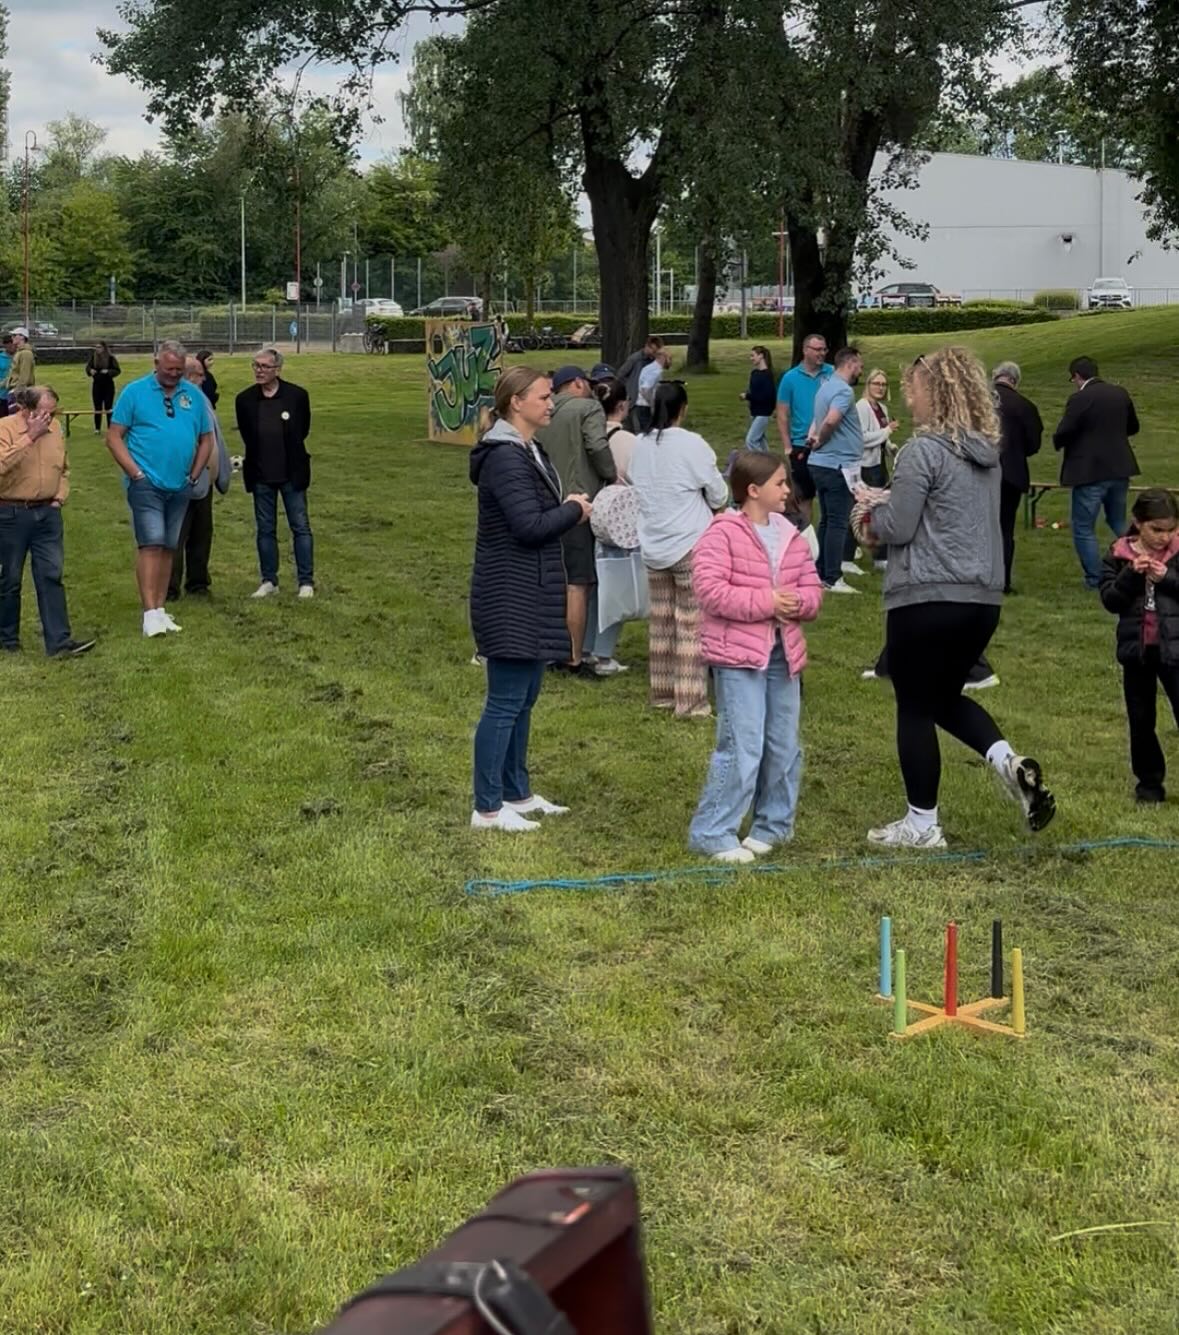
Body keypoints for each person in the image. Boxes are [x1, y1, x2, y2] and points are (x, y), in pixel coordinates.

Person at [853, 346, 1054, 848]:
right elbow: (948, 512)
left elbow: (899, 526)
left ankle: (922, 824)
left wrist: (869, 515)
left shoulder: (921, 451)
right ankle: (1008, 762)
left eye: (914, 390)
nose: (909, 399)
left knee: (914, 706)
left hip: (926, 595)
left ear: (936, 393)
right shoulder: (987, 456)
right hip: (981, 600)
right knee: (942, 697)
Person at [468, 366, 592, 832]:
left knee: (524, 698)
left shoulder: (530, 449)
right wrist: (573, 510)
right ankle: (487, 807)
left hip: (531, 588)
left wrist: (566, 507)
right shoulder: (504, 457)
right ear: (516, 402)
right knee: (505, 701)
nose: (551, 403)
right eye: (542, 396)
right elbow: (528, 526)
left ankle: (515, 793)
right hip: (508, 592)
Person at [688, 451, 823, 864]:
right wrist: (767, 602)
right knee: (742, 744)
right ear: (752, 490)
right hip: (738, 657)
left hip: (784, 656)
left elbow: (812, 591)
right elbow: (710, 591)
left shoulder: (791, 534)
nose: (788, 491)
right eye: (780, 483)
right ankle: (713, 831)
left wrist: (797, 602)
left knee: (783, 743)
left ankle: (773, 825)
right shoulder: (722, 533)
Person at [630, 380, 729, 717]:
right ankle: (690, 700)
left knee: (661, 621)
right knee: (691, 622)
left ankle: (662, 692)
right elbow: (718, 493)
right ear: (682, 409)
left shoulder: (640, 445)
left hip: (653, 542)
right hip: (689, 541)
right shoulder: (692, 444)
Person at [106, 340, 215, 638]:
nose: (173, 375)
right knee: (151, 543)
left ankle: (161, 608)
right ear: (156, 364)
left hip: (180, 484)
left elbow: (206, 438)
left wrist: (194, 475)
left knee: (169, 545)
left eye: (179, 370)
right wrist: (135, 473)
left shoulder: (192, 395)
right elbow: (114, 436)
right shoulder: (134, 392)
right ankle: (149, 612)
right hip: (146, 484)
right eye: (169, 370)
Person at [0, 386, 95, 657]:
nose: (49, 419)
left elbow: (63, 468)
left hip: (48, 514)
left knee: (51, 575)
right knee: (9, 578)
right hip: (10, 513)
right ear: (25, 409)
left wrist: (59, 497)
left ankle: (59, 642)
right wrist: (29, 437)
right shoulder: (5, 429)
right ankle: (7, 639)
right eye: (44, 413)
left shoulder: (55, 429)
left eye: (53, 413)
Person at [1099, 488, 1179, 804]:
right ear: (1137, 522)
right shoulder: (1118, 555)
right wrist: (1131, 576)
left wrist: (1166, 578)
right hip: (1137, 651)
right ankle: (1149, 785)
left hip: (1175, 649)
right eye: (1156, 529)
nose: (1164, 537)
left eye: (1171, 530)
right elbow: (1110, 600)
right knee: (1141, 720)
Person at [535, 365, 616, 676]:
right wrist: (611, 474)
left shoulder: (540, 410)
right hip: (577, 505)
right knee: (577, 583)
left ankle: (545, 648)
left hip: (542, 503)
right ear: (579, 383)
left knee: (548, 580)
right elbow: (597, 445)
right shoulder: (588, 408)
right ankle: (572, 657)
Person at [1053, 355, 1140, 589]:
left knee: (1083, 527)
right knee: (1118, 520)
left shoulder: (1080, 398)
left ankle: (1095, 578)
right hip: (1120, 467)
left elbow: (1065, 430)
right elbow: (1133, 426)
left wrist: (1058, 442)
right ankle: (1141, 561)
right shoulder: (1120, 393)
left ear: (1077, 376)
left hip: (1089, 471)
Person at [235, 347, 315, 599]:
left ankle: (306, 581)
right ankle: (269, 580)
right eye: (256, 366)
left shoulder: (297, 396)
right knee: (265, 529)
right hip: (261, 474)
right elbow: (247, 434)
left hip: (291, 473)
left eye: (264, 367)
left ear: (277, 369)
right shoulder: (244, 399)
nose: (259, 371)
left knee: (300, 526)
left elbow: (302, 430)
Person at [584, 377, 640, 676]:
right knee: (615, 585)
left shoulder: (585, 433)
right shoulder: (628, 441)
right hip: (618, 520)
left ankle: (584, 646)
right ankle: (603, 653)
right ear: (622, 405)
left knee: (590, 586)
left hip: (587, 513)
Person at [168, 356, 232, 601]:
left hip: (205, 479)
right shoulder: (173, 400)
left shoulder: (201, 399)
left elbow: (216, 436)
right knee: (176, 534)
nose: (204, 379)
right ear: (188, 375)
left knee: (201, 533)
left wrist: (221, 471)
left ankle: (198, 582)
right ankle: (170, 586)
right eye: (200, 374)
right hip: (182, 479)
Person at [807, 346, 864, 593]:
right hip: (837, 465)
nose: (861, 370)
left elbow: (816, 420)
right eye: (859, 365)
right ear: (850, 363)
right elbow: (830, 420)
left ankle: (819, 571)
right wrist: (821, 440)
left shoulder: (825, 386)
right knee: (838, 522)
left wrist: (812, 437)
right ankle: (832, 577)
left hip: (821, 464)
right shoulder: (843, 390)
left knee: (827, 520)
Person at [992, 361, 1043, 593]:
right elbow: (1033, 445)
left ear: (995, 376)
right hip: (1011, 473)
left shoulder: (977, 401)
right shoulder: (1026, 406)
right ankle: (1003, 581)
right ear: (1015, 381)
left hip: (978, 471)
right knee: (1005, 528)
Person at [775, 332, 833, 525]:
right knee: (804, 497)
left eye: (824, 349)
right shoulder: (790, 378)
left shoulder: (832, 373)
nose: (821, 353)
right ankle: (806, 539)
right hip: (802, 445)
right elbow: (782, 414)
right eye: (817, 349)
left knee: (830, 497)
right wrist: (787, 446)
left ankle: (828, 538)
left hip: (830, 443)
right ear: (805, 350)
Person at [855, 366, 898, 573]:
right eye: (877, 383)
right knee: (866, 510)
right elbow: (862, 438)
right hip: (866, 465)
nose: (880, 388)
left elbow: (881, 437)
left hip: (879, 464)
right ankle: (855, 551)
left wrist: (890, 446)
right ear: (868, 384)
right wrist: (887, 431)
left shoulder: (883, 409)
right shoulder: (862, 407)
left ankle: (880, 556)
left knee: (882, 509)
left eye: (883, 384)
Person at [617, 335, 664, 432]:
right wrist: (629, 387)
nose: (654, 353)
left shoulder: (653, 361)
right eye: (653, 350)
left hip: (646, 399)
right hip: (634, 399)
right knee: (636, 427)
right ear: (647, 346)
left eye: (656, 351)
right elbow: (621, 374)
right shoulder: (635, 359)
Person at [742, 346, 777, 452]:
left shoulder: (767, 375)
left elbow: (767, 396)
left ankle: (759, 461)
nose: (751, 358)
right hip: (754, 412)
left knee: (751, 440)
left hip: (763, 413)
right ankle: (769, 460)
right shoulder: (754, 374)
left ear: (761, 356)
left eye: (753, 355)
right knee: (760, 440)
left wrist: (747, 396)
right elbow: (755, 392)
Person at [84, 341, 122, 433]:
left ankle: (110, 427)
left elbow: (117, 370)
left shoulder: (111, 358)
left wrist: (108, 372)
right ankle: (97, 428)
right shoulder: (93, 358)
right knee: (97, 407)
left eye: (99, 347)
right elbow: (88, 368)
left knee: (108, 407)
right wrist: (90, 371)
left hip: (108, 385)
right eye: (96, 347)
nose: (97, 349)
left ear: (104, 348)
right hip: (97, 385)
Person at [635, 347, 671, 433]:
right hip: (646, 407)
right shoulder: (656, 371)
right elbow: (645, 389)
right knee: (650, 433)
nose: (670, 361)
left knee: (646, 432)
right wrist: (653, 405)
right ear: (662, 357)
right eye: (669, 358)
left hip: (641, 405)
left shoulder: (648, 368)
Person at [4, 328, 35, 406]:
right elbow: (13, 374)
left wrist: (18, 392)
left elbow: (24, 375)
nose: (12, 337)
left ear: (22, 337)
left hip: (20, 392)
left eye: (14, 335)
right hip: (14, 390)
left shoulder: (26, 353)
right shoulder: (19, 352)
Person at [0, 334, 13, 413]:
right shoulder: (1, 357)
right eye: (8, 344)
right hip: (2, 394)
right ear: (4, 345)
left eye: (12, 344)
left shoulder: (19, 357)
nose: (11, 346)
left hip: (15, 394)